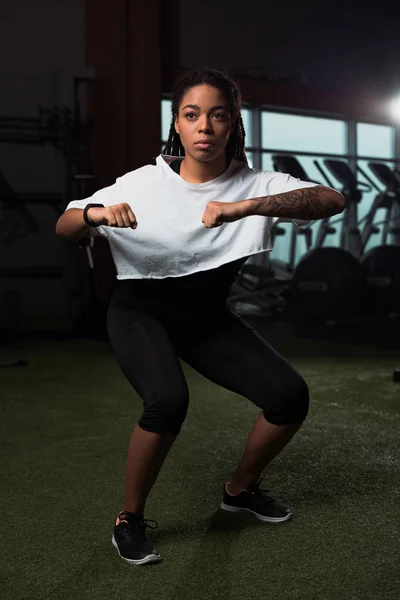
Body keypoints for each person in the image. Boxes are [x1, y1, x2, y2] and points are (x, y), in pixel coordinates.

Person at [55, 67, 345, 567]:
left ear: (233, 124)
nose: (204, 126)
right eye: (192, 115)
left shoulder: (257, 184)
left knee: (289, 397)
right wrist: (95, 215)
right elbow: (64, 225)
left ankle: (240, 490)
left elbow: (331, 199)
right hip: (139, 312)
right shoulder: (144, 184)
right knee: (167, 401)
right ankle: (129, 519)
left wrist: (243, 207)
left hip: (207, 318)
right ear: (177, 124)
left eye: (217, 115)